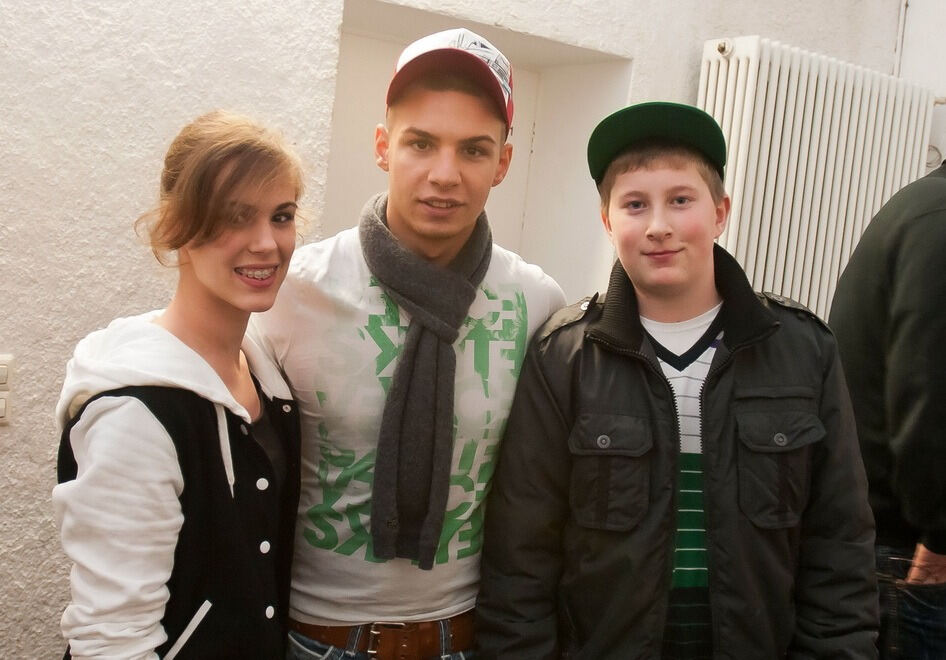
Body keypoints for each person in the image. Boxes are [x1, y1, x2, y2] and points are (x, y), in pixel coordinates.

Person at [475, 101, 879, 658]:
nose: (659, 226)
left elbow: (841, 547)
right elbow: (520, 557)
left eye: (681, 201)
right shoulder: (564, 356)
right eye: (635, 204)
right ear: (607, 220)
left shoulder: (803, 350)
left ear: (720, 212)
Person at [249, 27, 565, 660]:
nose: (443, 175)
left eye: (473, 150)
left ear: (502, 163)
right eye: (421, 143)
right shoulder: (293, 293)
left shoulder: (536, 303)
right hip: (315, 638)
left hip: (470, 636)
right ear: (383, 146)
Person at [53, 110, 304, 659]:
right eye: (235, 217)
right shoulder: (136, 413)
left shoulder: (265, 373)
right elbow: (111, 640)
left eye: (281, 216)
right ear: (176, 229)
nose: (266, 242)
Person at [829, 159, 946, 659]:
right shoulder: (937, 219)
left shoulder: (925, 209)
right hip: (912, 557)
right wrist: (941, 536)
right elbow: (929, 393)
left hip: (898, 549)